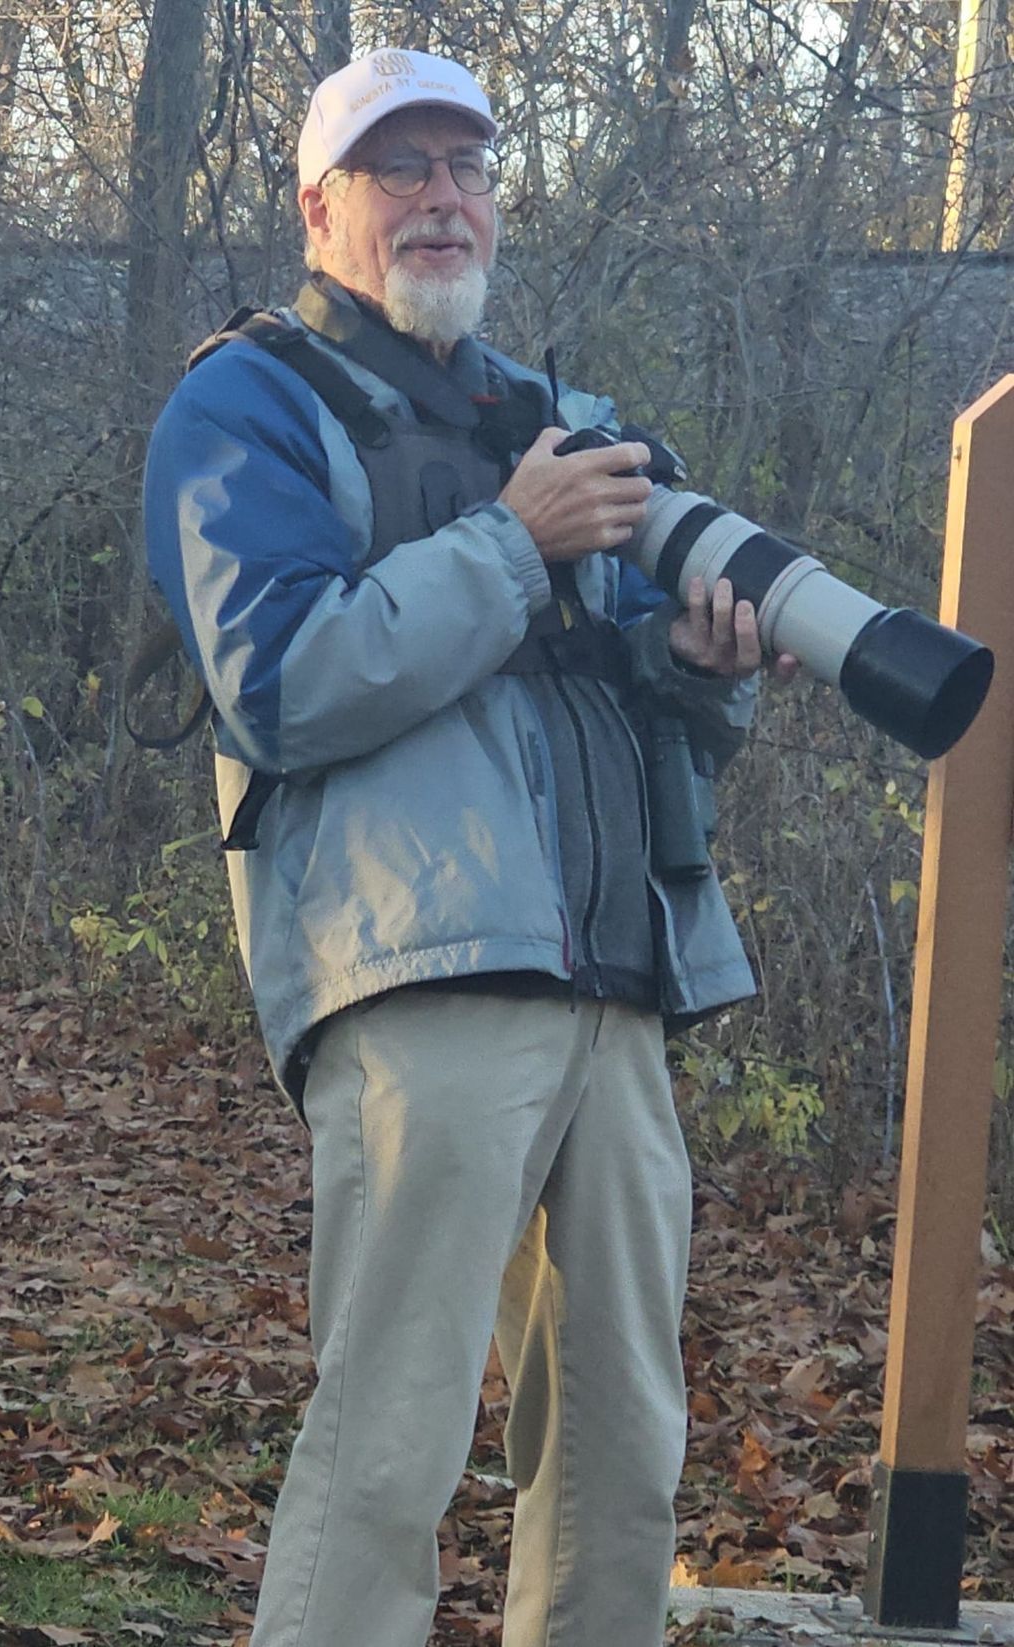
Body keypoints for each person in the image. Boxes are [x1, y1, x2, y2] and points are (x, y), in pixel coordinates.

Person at [144, 47, 795, 1647]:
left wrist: (706, 675)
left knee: (628, 1451)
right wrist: (513, 541)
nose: (445, 198)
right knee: (393, 1435)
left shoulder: (562, 419)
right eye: (400, 169)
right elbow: (285, 683)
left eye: (469, 168)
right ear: (320, 206)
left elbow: (647, 710)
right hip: (414, 970)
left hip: (619, 983)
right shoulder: (245, 400)